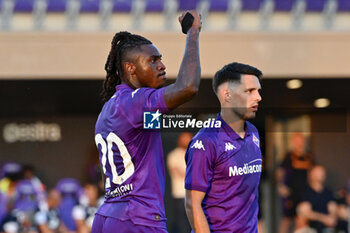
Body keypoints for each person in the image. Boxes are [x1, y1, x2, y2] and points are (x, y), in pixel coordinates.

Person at [92, 10, 201, 233]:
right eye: (153, 60)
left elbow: (154, 129)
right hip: (138, 216)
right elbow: (188, 87)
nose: (161, 65)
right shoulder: (136, 101)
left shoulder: (110, 108)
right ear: (130, 68)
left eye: (160, 59)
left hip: (108, 215)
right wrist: (193, 32)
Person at [184, 62, 263, 232]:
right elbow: (192, 203)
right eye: (249, 91)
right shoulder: (206, 142)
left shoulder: (254, 133)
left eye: (258, 91)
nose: (258, 97)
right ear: (227, 95)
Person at [276, 133, 314, 233]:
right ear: (293, 142)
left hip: (304, 192)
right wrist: (280, 186)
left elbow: (312, 173)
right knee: (287, 219)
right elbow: (280, 172)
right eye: (297, 140)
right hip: (290, 193)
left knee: (302, 219)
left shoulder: (309, 156)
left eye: (301, 140)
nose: (300, 143)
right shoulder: (289, 156)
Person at [295, 165, 337, 233]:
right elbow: (305, 212)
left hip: (326, 227)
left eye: (321, 173)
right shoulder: (305, 192)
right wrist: (323, 218)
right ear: (311, 175)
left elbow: (332, 208)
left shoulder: (328, 192)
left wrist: (331, 219)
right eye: (317, 173)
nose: (319, 175)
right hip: (310, 226)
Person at [167, 132, 193, 233]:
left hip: (194, 194)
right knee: (180, 223)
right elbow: (180, 173)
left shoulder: (194, 153)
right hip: (180, 195)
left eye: (188, 138)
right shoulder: (173, 155)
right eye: (184, 138)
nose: (186, 141)